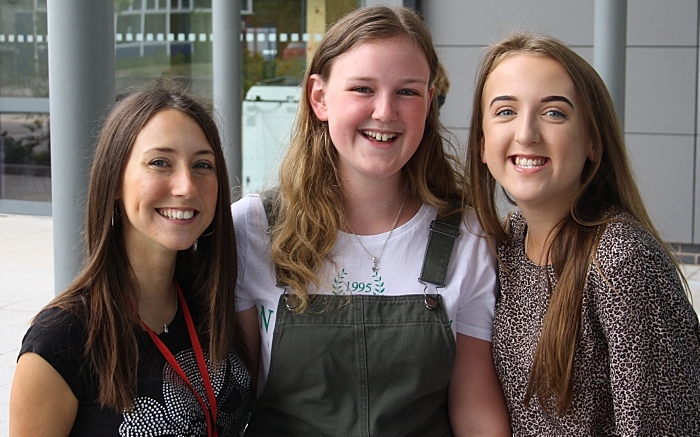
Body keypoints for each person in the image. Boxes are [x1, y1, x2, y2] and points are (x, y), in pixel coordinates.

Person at [232, 5, 511, 436]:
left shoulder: (467, 237)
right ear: (319, 98)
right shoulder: (253, 229)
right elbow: (234, 402)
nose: (385, 111)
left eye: (407, 92)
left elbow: (475, 412)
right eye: (363, 88)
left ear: (429, 101)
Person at [466, 32, 700, 435]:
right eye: (505, 111)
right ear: (482, 144)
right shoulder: (507, 246)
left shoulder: (621, 260)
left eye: (554, 113)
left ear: (592, 140)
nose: (526, 133)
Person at [9, 84, 253, 436]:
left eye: (203, 164)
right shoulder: (60, 341)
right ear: (114, 182)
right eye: (160, 162)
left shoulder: (213, 304)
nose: (186, 186)